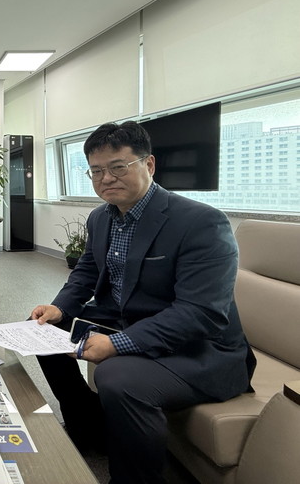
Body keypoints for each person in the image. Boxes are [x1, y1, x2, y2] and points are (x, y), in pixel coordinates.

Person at [30, 121, 255, 484]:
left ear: (148, 164)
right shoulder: (100, 217)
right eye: (96, 171)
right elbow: (88, 270)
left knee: (115, 377)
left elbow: (201, 314)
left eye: (118, 167)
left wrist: (117, 344)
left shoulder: (201, 223)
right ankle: (90, 430)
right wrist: (60, 308)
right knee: (43, 331)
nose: (106, 179)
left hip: (199, 348)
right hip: (126, 320)